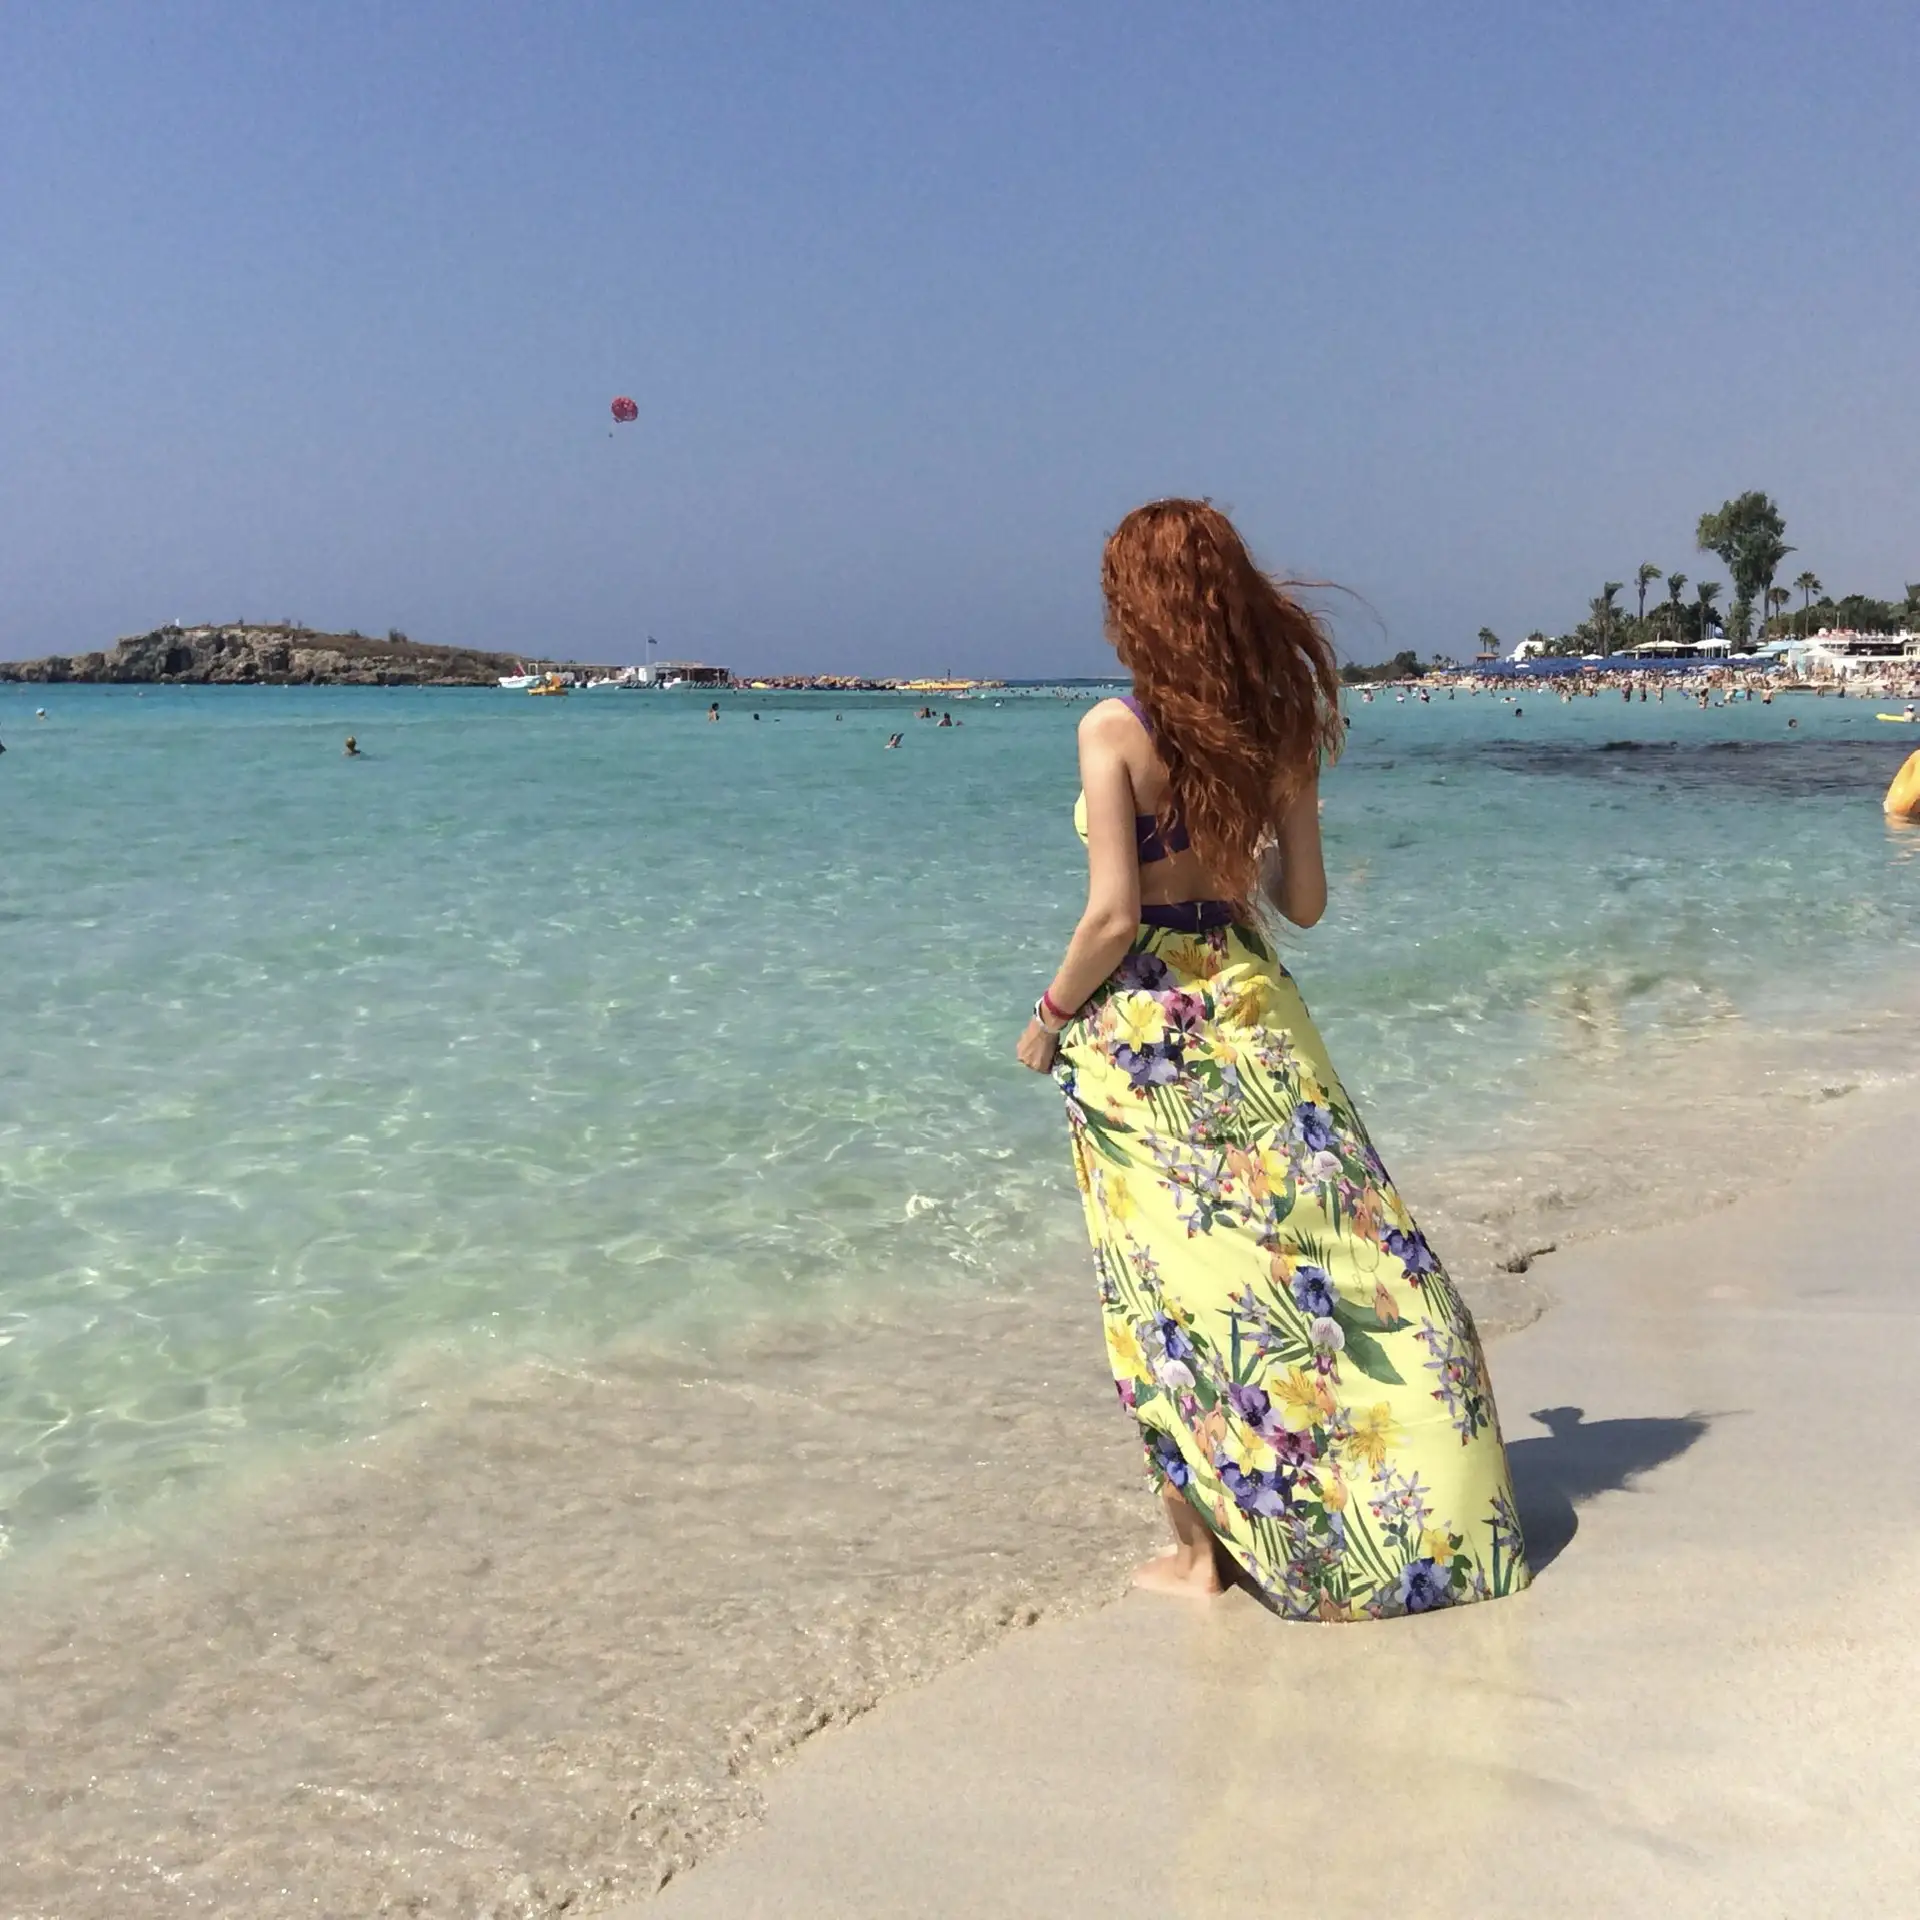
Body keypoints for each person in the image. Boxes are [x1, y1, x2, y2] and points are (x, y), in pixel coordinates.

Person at [1015, 499, 1530, 1619]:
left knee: (1167, 1288)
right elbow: (1304, 904)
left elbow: (1112, 918)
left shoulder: (1112, 730)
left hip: (1139, 1038)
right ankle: (1429, 1507)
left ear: (1138, 609)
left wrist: (1049, 1016)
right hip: (1253, 1014)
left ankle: (1201, 1557)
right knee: (1349, 1249)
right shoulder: (1279, 728)